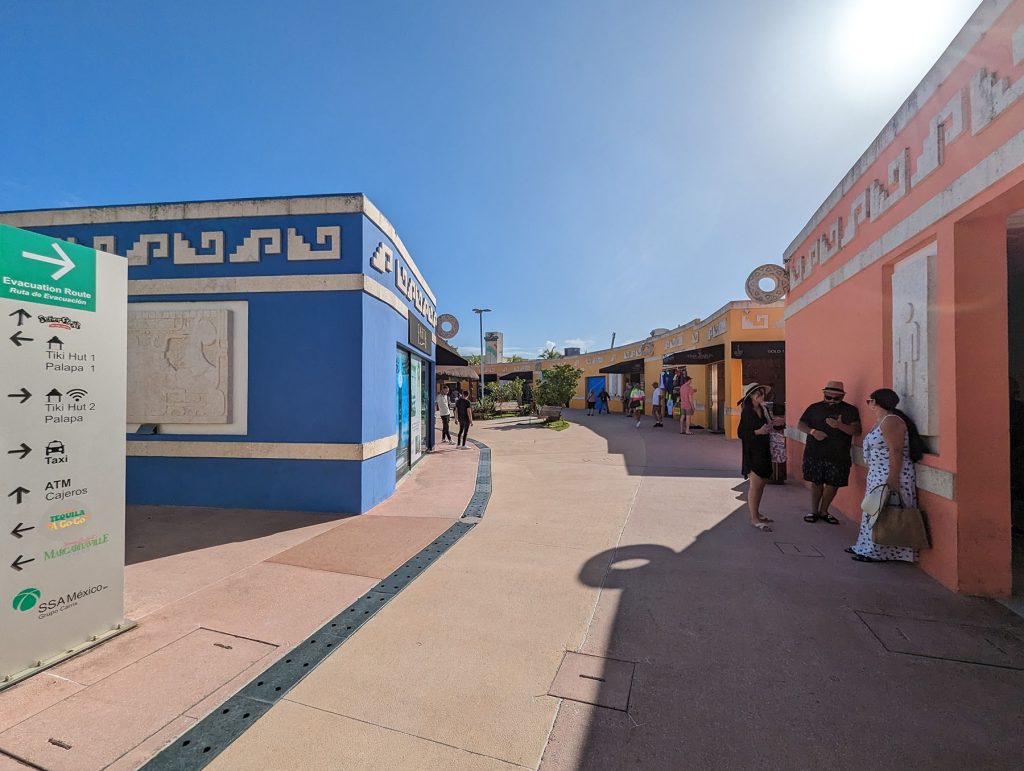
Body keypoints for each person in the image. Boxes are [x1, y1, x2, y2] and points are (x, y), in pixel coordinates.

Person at [847, 388, 924, 562]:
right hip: (878, 473)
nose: (869, 405)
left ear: (877, 401)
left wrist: (893, 478)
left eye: (870, 401)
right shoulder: (882, 421)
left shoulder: (891, 421)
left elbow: (895, 450)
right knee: (874, 509)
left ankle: (880, 551)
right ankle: (867, 547)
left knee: (887, 511)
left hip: (890, 473)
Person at [798, 380, 861, 523]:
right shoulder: (814, 408)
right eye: (829, 397)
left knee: (833, 484)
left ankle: (824, 511)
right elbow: (801, 424)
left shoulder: (850, 410)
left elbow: (856, 431)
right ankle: (814, 511)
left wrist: (839, 425)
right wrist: (813, 432)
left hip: (839, 454)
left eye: (836, 398)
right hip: (814, 452)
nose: (832, 401)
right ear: (824, 394)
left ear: (843, 397)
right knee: (816, 482)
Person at [738, 383, 782, 531]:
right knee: (755, 486)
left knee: (761, 485)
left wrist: (775, 423)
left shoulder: (763, 410)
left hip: (764, 450)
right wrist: (758, 432)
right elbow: (741, 433)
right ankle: (754, 518)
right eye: (757, 393)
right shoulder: (747, 412)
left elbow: (768, 427)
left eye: (762, 393)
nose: (761, 396)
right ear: (750, 396)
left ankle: (757, 512)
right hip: (752, 451)